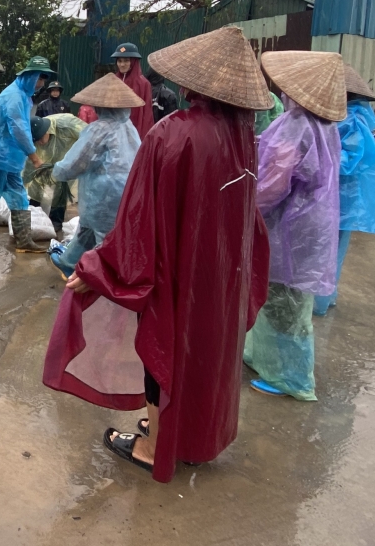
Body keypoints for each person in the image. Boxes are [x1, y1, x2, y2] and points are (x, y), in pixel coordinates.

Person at [45, 26, 273, 483]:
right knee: (207, 355)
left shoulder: (174, 133)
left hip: (179, 269)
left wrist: (98, 266)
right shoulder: (243, 135)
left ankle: (153, 447)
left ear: (190, 82)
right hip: (223, 269)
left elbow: (140, 219)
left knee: (163, 347)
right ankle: (188, 434)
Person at [243, 51, 346, 401]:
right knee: (287, 297)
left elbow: (273, 184)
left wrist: (246, 208)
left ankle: (293, 378)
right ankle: (265, 358)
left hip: (290, 224)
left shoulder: (296, 124)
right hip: (310, 221)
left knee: (283, 300)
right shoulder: (322, 124)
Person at [313, 66, 375, 316]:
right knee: (330, 248)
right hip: (336, 193)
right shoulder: (345, 117)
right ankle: (327, 295)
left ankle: (320, 302)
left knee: (330, 250)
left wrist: (321, 154)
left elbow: (348, 161)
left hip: (341, 196)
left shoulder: (353, 119)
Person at [46, 74, 142, 277]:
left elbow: (77, 162)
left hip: (104, 195)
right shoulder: (129, 127)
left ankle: (105, 279)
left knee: (104, 239)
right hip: (130, 189)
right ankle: (69, 262)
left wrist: (57, 170)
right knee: (87, 230)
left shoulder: (99, 129)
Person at [0, 55, 57, 253]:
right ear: (30, 76)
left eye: (44, 79)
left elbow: (23, 127)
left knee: (19, 196)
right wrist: (34, 156)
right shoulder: (14, 96)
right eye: (40, 78)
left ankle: (23, 239)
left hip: (10, 157)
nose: (42, 84)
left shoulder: (24, 96)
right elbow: (18, 127)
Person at [23, 112, 87, 233]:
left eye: (41, 139)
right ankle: (34, 215)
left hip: (67, 157)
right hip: (46, 158)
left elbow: (89, 137)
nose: (40, 143)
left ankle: (56, 222)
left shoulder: (67, 125)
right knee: (35, 183)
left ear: (46, 131)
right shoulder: (35, 135)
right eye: (36, 141)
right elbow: (29, 165)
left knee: (61, 187)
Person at [111, 43, 154, 139]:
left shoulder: (143, 84)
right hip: (113, 131)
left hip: (134, 132)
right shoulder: (112, 81)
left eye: (126, 61)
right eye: (119, 61)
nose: (122, 64)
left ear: (134, 61)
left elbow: (147, 114)